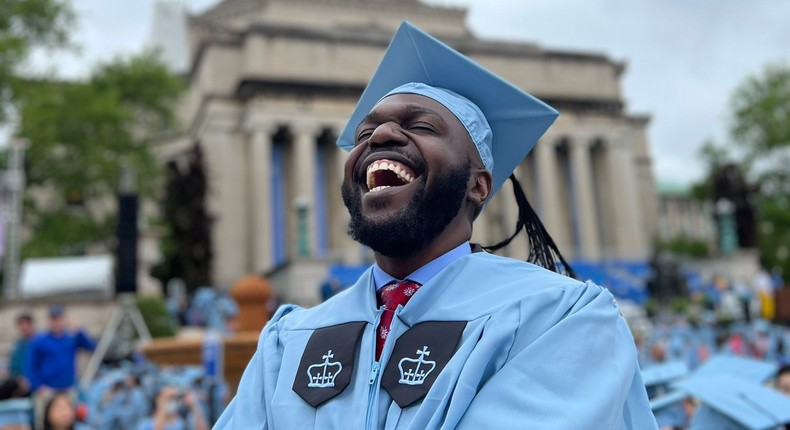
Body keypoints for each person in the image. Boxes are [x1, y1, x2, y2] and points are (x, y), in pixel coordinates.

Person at [215, 22, 656, 429]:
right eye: (365, 134)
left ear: (478, 186)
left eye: (422, 125)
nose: (381, 137)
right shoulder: (286, 343)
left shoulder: (559, 317)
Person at [25, 305, 96, 394]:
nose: (56, 322)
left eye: (59, 319)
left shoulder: (71, 338)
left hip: (68, 388)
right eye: (53, 319)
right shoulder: (39, 341)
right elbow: (30, 366)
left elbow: (91, 346)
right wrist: (39, 386)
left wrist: (78, 330)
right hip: (47, 390)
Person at [9, 313, 35, 384]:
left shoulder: (38, 343)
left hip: (33, 381)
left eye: (26, 325)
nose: (24, 327)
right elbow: (14, 366)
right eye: (21, 325)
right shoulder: (18, 345)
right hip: (18, 380)